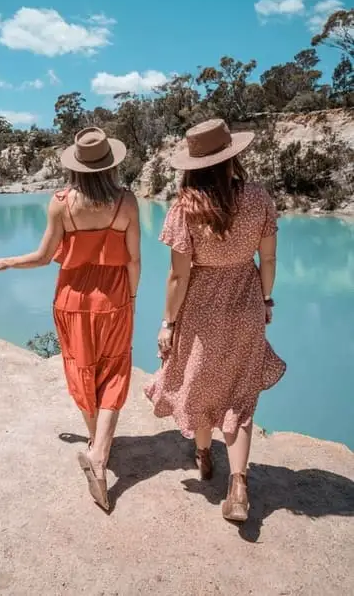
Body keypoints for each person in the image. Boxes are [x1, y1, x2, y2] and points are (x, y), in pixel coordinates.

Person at [0, 127, 141, 511]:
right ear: (110, 165)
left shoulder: (60, 204)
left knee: (82, 368)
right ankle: (100, 452)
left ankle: (95, 447)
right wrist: (131, 298)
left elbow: (42, 257)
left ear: (76, 167)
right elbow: (134, 259)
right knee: (115, 369)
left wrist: (7, 261)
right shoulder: (126, 202)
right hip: (115, 295)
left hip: (71, 299)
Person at [145, 118, 286, 523]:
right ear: (231, 158)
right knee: (240, 395)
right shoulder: (259, 198)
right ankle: (238, 483)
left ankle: (205, 456)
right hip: (245, 303)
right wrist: (264, 299)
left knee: (200, 384)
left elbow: (178, 275)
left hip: (201, 309)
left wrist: (167, 323)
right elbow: (269, 259)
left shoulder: (185, 208)